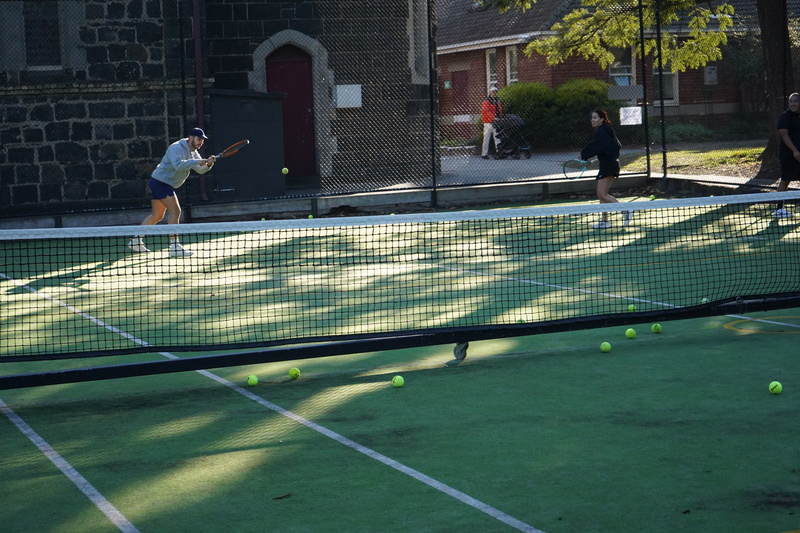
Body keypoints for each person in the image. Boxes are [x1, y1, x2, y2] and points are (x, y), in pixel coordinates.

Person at [128, 127, 216, 257]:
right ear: (190, 137)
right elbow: (178, 165)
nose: (201, 142)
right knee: (176, 211)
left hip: (162, 183)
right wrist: (198, 161)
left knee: (157, 215)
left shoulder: (193, 152)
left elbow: (199, 169)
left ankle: (135, 241)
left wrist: (208, 164)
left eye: (202, 140)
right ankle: (174, 247)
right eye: (199, 139)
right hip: (160, 183)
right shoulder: (176, 148)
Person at [580, 108, 630, 229]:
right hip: (609, 164)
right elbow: (616, 146)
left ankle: (626, 210)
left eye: (595, 118)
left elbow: (597, 145)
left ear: (602, 119)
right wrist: (606, 155)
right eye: (592, 118)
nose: (592, 120)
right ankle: (605, 221)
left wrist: (584, 154)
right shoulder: (607, 131)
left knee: (601, 194)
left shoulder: (603, 131)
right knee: (602, 194)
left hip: (609, 166)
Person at [774, 92, 800, 218]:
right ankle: (779, 209)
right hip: (788, 155)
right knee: (785, 180)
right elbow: (784, 135)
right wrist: (795, 151)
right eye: (791, 101)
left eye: (795, 101)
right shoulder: (784, 117)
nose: (793, 104)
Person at [481, 86, 502, 159]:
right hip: (488, 122)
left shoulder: (497, 101)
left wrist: (499, 118)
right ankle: (484, 154)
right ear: (490, 92)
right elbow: (486, 112)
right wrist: (493, 118)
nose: (494, 93)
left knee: (497, 138)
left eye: (495, 92)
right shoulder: (486, 102)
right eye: (493, 92)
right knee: (486, 138)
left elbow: (499, 110)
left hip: (496, 122)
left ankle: (499, 152)